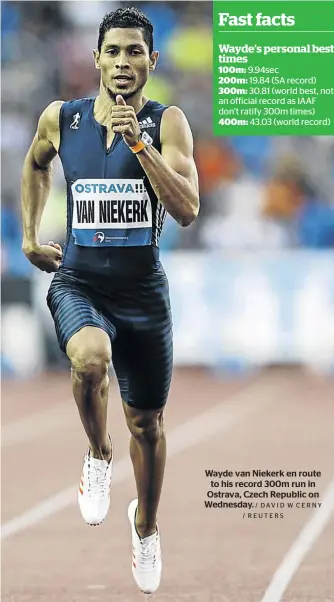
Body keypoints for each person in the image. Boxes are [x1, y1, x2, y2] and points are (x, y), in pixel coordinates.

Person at [21, 6, 199, 595]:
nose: (123, 63)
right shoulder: (61, 118)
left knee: (147, 424)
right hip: (80, 281)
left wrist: (139, 146)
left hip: (142, 289)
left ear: (153, 60)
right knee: (89, 359)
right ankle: (98, 454)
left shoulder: (167, 122)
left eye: (134, 53)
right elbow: (34, 163)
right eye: (113, 52)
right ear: (95, 58)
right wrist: (27, 236)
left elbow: (187, 209)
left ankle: (145, 527)